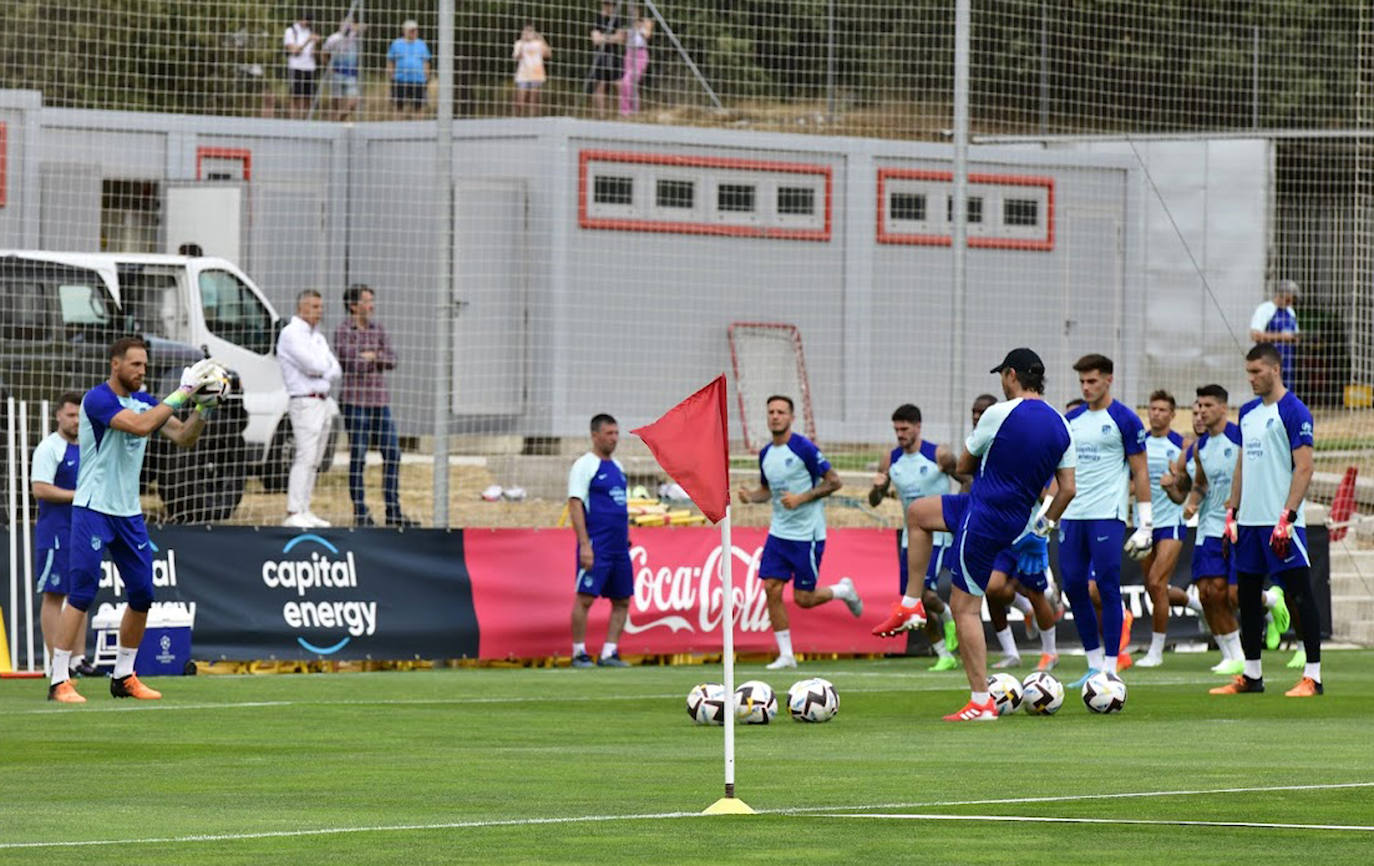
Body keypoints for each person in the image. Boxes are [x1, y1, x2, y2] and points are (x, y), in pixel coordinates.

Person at [873, 348, 1076, 722]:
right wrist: (1044, 525)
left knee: (965, 607)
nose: (1001, 381)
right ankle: (911, 602)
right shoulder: (1062, 424)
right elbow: (1067, 490)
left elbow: (963, 465)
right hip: (1010, 515)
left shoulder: (999, 413)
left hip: (985, 513)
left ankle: (981, 699)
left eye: (1002, 374)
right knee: (918, 514)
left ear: (1012, 375)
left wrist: (966, 459)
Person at [45, 339, 222, 703]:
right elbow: (140, 427)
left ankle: (124, 674)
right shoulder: (97, 400)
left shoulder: (146, 401)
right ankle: (59, 679)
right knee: (82, 590)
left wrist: (203, 408)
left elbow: (183, 436)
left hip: (128, 512)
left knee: (143, 593)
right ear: (115, 365)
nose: (142, 371)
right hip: (93, 507)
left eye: (144, 365)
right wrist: (183, 391)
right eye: (135, 365)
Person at [1211, 343, 1322, 697]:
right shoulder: (1247, 413)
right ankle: (1252, 675)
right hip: (1249, 524)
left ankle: (1313, 677)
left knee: (1300, 596)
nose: (1251, 379)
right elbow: (1243, 464)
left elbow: (1304, 468)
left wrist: (1287, 517)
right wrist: (1232, 511)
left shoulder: (1294, 411)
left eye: (1257, 372)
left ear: (1275, 370)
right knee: (1247, 598)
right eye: (1249, 372)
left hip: (1281, 524)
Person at [736, 395, 860, 670]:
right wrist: (751, 497)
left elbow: (835, 482)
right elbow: (768, 491)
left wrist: (801, 498)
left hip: (807, 534)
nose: (775, 416)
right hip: (779, 533)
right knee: (771, 588)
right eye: (771, 412)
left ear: (791, 417)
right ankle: (786, 654)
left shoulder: (803, 448)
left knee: (803, 599)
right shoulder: (766, 454)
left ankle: (843, 590)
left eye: (781, 412)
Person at [1059, 353, 1152, 687]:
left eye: (1092, 381)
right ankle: (1093, 663)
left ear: (1108, 380)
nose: (1086, 387)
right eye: (1082, 381)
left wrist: (1145, 523)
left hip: (1107, 516)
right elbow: (1060, 468)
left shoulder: (1125, 419)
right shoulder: (1071, 419)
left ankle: (1111, 666)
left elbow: (1140, 470)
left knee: (1108, 586)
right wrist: (1049, 511)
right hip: (1072, 515)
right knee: (1072, 586)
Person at [868, 403, 960, 672]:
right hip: (911, 538)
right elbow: (874, 501)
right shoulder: (890, 460)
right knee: (914, 601)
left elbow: (965, 479)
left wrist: (957, 512)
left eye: (905, 428)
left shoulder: (939, 455)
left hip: (939, 534)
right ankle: (944, 653)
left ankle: (949, 616)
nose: (900, 433)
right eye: (896, 428)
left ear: (918, 427)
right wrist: (876, 489)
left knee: (922, 593)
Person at [1176, 385, 1249, 675]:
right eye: (1199, 406)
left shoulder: (1239, 437)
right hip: (1207, 526)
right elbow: (1201, 484)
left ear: (1223, 407)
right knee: (1207, 593)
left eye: (1207, 405)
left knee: (1230, 595)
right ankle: (1231, 654)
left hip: (1237, 525)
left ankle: (1270, 602)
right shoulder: (1200, 447)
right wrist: (1191, 503)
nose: (1202, 411)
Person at [31, 392, 101, 678]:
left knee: (79, 592)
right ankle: (54, 661)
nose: (75, 421)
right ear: (58, 415)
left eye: (78, 416)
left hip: (82, 530)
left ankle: (77, 659)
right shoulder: (49, 448)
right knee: (54, 595)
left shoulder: (89, 447)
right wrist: (78, 495)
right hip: (56, 532)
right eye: (70, 415)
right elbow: (40, 488)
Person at [333, 284, 414, 528]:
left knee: (393, 454)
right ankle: (361, 512)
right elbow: (350, 362)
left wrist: (372, 356)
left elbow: (392, 359)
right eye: (367, 301)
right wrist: (372, 357)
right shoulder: (343, 331)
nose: (372, 306)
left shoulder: (378, 328)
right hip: (355, 402)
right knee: (358, 456)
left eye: (372, 301)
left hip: (380, 402)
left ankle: (393, 511)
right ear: (354, 305)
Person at [568, 414, 632, 668]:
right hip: (597, 544)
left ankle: (609, 652)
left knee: (622, 599)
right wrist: (584, 544)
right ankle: (579, 652)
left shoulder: (618, 467)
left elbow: (619, 505)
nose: (614, 439)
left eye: (616, 433)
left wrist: (625, 537)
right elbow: (575, 504)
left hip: (618, 547)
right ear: (595, 435)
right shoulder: (585, 465)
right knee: (585, 597)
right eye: (609, 434)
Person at [277, 289, 341, 528]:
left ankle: (305, 507)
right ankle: (294, 509)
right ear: (301, 307)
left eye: (321, 307)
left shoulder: (318, 336)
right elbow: (312, 365)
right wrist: (323, 368)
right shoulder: (291, 334)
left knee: (315, 458)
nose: (319, 311)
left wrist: (323, 368)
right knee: (305, 455)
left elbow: (335, 368)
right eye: (314, 307)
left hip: (323, 400)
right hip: (304, 401)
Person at [1135, 390, 1187, 667]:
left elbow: (1189, 486)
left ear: (1172, 415)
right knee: (1155, 588)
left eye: (1162, 410)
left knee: (1156, 582)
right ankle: (1193, 603)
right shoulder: (1138, 442)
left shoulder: (1181, 444)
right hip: (1144, 525)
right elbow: (1131, 480)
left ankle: (1156, 650)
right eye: (1152, 409)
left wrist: (1175, 482)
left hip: (1171, 523)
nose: (1156, 414)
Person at [1249, 279, 1300, 390]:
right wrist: (1282, 337)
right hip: (1269, 360)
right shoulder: (1265, 309)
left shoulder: (1290, 311)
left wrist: (1296, 338)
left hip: (1287, 362)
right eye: (1289, 298)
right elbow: (1255, 335)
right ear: (1282, 294)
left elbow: (1295, 333)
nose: (1290, 302)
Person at [322, 16, 364, 120]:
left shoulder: (354, 36)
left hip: (350, 75)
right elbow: (324, 53)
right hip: (336, 74)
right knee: (336, 103)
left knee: (353, 102)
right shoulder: (334, 38)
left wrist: (355, 27)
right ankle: (334, 123)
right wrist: (328, 67)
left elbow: (365, 27)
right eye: (345, 24)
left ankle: (341, 117)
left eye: (349, 24)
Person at [387, 19, 432, 116]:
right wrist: (391, 75)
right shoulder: (396, 43)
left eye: (415, 30)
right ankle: (397, 127)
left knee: (419, 106)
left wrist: (427, 76)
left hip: (418, 80)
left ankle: (419, 127)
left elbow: (426, 61)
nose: (414, 32)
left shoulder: (422, 44)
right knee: (399, 106)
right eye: (411, 30)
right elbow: (391, 60)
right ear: (404, 31)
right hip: (400, 79)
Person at [588, 1, 624, 115]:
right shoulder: (597, 19)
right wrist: (611, 38)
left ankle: (621, 113)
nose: (610, 7)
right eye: (607, 4)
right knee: (600, 84)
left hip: (614, 54)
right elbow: (595, 40)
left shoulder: (617, 19)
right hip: (600, 55)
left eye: (612, 4)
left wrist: (604, 37)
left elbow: (621, 38)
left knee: (618, 84)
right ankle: (601, 114)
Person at [284, 11, 321, 118]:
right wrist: (308, 40)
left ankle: (306, 122)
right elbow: (294, 51)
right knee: (295, 98)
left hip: (310, 68)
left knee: (308, 98)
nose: (306, 22)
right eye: (304, 19)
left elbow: (314, 54)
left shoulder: (311, 31)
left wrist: (318, 44)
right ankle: (293, 122)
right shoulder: (291, 31)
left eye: (308, 20)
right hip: (296, 67)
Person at [619, 7, 653, 116]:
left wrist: (638, 27)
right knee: (629, 84)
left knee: (627, 80)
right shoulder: (627, 24)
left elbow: (647, 35)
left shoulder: (645, 22)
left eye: (635, 10)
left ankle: (632, 109)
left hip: (640, 54)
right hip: (629, 53)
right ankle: (626, 111)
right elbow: (622, 39)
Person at [513, 24, 552, 116]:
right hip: (523, 73)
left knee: (534, 98)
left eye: (530, 32)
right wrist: (523, 43)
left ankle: (534, 119)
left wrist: (542, 39)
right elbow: (517, 57)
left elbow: (548, 55)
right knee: (520, 99)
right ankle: (518, 117)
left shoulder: (538, 43)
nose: (528, 34)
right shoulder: (519, 43)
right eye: (526, 32)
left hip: (537, 73)